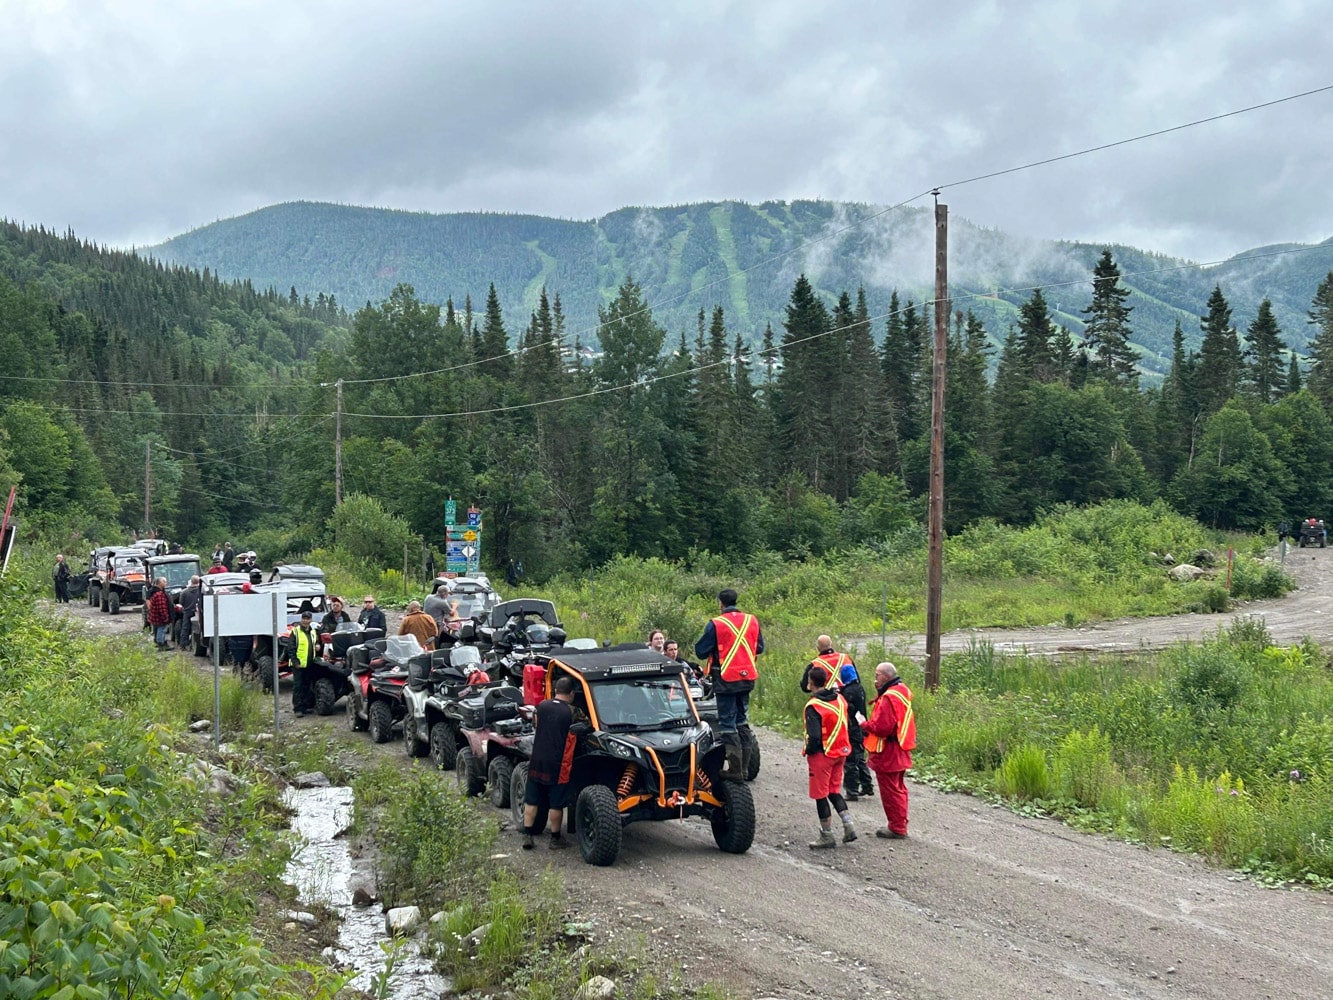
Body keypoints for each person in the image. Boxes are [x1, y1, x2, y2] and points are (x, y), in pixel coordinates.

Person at [695, 587, 763, 779]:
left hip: (725, 679)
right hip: (747, 677)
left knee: (727, 723)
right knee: (742, 721)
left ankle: (735, 769)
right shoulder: (752, 620)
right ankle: (744, 768)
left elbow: (701, 651)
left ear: (721, 603)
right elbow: (759, 647)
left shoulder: (717, 624)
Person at [803, 665, 857, 848]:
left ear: (810, 683)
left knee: (820, 795)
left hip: (822, 755)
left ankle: (827, 835)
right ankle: (849, 826)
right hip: (841, 752)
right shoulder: (840, 699)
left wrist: (809, 750)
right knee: (834, 791)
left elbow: (815, 736)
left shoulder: (813, 706)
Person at [522, 675, 578, 850]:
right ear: (572, 693)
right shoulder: (572, 711)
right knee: (556, 803)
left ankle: (528, 836)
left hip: (537, 759)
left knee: (531, 800)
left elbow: (536, 725)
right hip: (558, 763)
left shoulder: (541, 707)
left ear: (555, 691)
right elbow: (584, 727)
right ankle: (555, 838)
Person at [862, 661, 916, 840]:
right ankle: (900, 823)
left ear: (885, 677)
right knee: (899, 788)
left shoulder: (888, 697)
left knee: (890, 790)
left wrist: (864, 724)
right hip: (900, 747)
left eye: (877, 676)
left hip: (888, 751)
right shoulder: (902, 690)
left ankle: (897, 827)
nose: (875, 679)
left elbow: (882, 727)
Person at [837, 662, 874, 801]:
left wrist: (839, 695)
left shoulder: (848, 692)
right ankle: (867, 785)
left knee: (850, 759)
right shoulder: (859, 688)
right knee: (859, 757)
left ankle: (852, 791)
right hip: (860, 727)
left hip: (851, 727)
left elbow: (848, 708)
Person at [290, 610, 318, 715]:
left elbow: (315, 643)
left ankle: (305, 706)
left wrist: (317, 646)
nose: (305, 621)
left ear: (311, 620)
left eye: (307, 619)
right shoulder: (295, 631)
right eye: (304, 619)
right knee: (298, 686)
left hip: (309, 663)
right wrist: (295, 662)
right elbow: (291, 648)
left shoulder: (313, 631)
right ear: (301, 619)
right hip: (298, 664)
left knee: (307, 685)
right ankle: (297, 708)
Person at [146, 577, 173, 651]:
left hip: (155, 616)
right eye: (164, 582)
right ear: (159, 583)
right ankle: (161, 644)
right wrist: (166, 617)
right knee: (161, 630)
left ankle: (160, 642)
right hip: (159, 617)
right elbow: (162, 607)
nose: (166, 583)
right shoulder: (159, 594)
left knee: (159, 629)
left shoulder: (155, 592)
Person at [176, 575, 201, 649]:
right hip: (198, 612)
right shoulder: (201, 591)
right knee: (198, 629)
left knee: (185, 628)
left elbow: (181, 603)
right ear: (198, 581)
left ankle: (182, 645)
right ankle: (196, 644)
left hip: (187, 612)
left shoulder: (184, 592)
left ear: (191, 581)